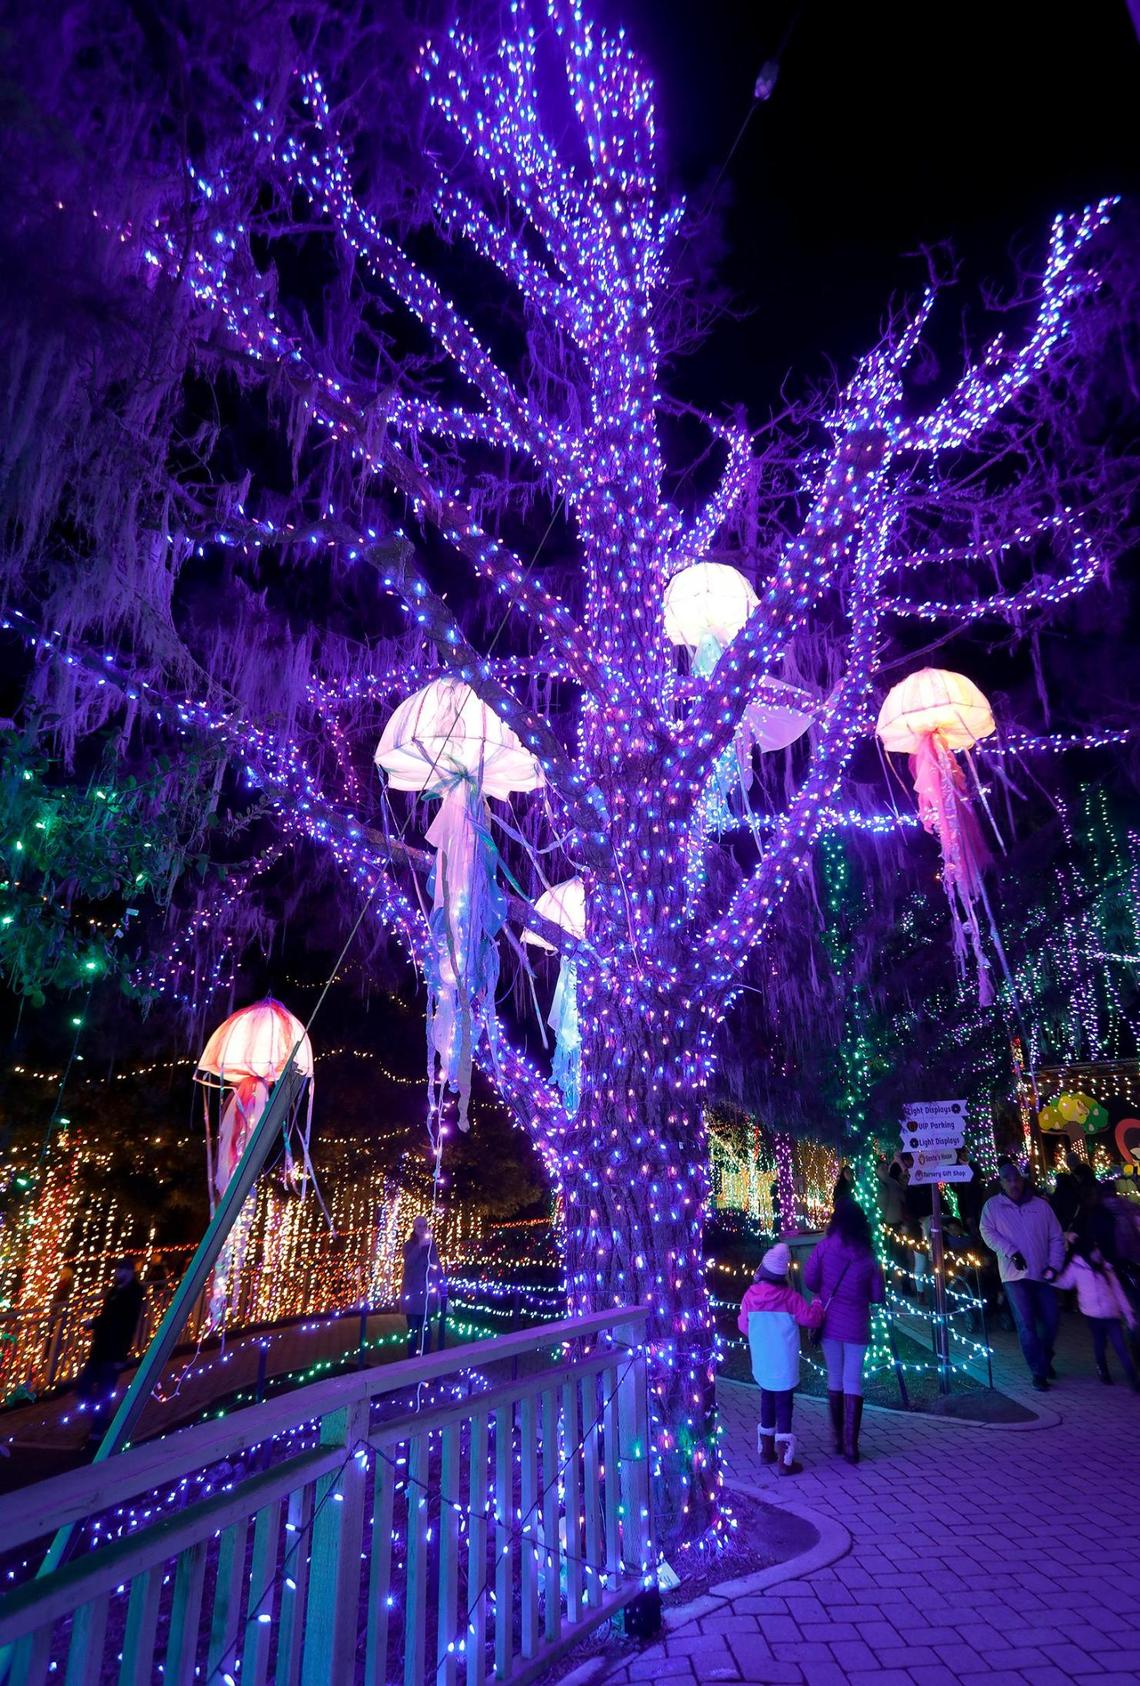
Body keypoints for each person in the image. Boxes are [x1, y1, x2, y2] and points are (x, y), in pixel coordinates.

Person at [802, 1201, 884, 1464]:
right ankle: (852, 1445)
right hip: (857, 1323)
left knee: (834, 1377)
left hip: (830, 1321)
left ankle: (838, 1439)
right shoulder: (868, 1254)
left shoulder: (824, 1247)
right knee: (853, 1379)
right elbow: (877, 1295)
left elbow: (810, 1279)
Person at [738, 1242, 824, 1475]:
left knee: (767, 1400)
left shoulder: (750, 1296)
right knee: (785, 1405)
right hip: (784, 1362)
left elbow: (744, 1326)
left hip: (763, 1360)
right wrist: (817, 1303)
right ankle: (785, 1461)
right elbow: (811, 1320)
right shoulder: (791, 1298)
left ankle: (766, 1452)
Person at [979, 1159, 1065, 1390]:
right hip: (1014, 1276)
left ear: (1022, 1180)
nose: (1013, 1183)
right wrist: (1010, 1251)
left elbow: (1056, 1237)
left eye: (1016, 1179)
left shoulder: (1041, 1206)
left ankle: (1044, 1357)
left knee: (1051, 1321)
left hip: (1042, 1273)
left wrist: (1054, 1265)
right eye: (1008, 1180)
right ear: (1001, 1183)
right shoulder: (993, 1207)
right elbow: (987, 1232)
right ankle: (1038, 1371)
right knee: (1026, 1324)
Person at [1055, 1235, 1139, 1390]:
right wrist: (1051, 1278)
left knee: (1120, 1346)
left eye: (1098, 1249)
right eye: (1095, 1249)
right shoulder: (1077, 1267)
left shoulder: (1105, 1268)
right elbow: (1066, 1283)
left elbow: (1118, 1292)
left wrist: (1128, 1314)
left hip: (1112, 1314)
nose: (1098, 1252)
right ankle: (1102, 1370)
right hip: (1093, 1316)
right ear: (1088, 1251)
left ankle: (1133, 1379)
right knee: (1100, 1344)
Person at [75, 1257, 143, 1445]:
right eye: (117, 1270)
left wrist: (93, 1323)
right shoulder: (114, 1291)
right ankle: (101, 1422)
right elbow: (109, 1317)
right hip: (100, 1348)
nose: (117, 1273)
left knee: (104, 1391)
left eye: (122, 1270)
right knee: (83, 1388)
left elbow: (120, 1323)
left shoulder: (132, 1294)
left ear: (130, 1273)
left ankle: (96, 1435)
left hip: (113, 1351)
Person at [400, 1216, 442, 1357]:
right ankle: (411, 1360)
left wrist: (441, 1283)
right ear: (414, 1228)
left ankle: (425, 1359)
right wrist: (419, 1246)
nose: (423, 1228)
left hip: (427, 1293)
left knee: (426, 1328)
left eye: (425, 1225)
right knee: (413, 1328)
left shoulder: (432, 1245)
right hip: (412, 1293)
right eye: (419, 1226)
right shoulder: (408, 1245)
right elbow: (409, 1263)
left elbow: (437, 1264)